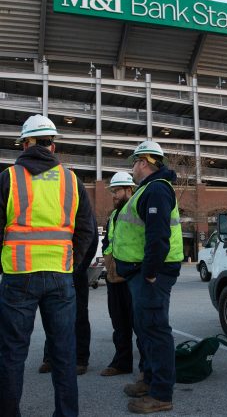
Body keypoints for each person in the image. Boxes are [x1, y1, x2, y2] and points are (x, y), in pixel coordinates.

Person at [0, 114, 94, 417]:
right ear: (52, 145)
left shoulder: (9, 177)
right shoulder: (71, 179)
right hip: (60, 277)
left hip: (18, 276)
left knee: (12, 354)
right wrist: (72, 264)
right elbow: (86, 230)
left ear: (26, 143)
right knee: (64, 353)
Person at [112, 141, 184, 414]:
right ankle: (151, 380)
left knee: (155, 330)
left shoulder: (156, 189)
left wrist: (151, 273)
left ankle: (161, 393)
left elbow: (158, 236)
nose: (132, 168)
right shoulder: (147, 190)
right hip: (142, 273)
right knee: (146, 328)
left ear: (143, 162)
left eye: (134, 162)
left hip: (152, 274)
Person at [38, 213, 99, 376]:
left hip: (74, 271)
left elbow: (91, 239)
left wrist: (78, 266)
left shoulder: (79, 203)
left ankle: (80, 359)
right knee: (52, 315)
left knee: (79, 315)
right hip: (53, 270)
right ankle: (50, 357)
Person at [100, 171, 143, 377]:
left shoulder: (137, 209)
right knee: (119, 324)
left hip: (133, 277)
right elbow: (107, 241)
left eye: (117, 190)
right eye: (112, 191)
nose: (113, 195)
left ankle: (147, 369)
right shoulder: (114, 215)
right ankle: (121, 363)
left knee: (141, 326)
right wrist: (109, 262)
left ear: (129, 189)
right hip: (114, 278)